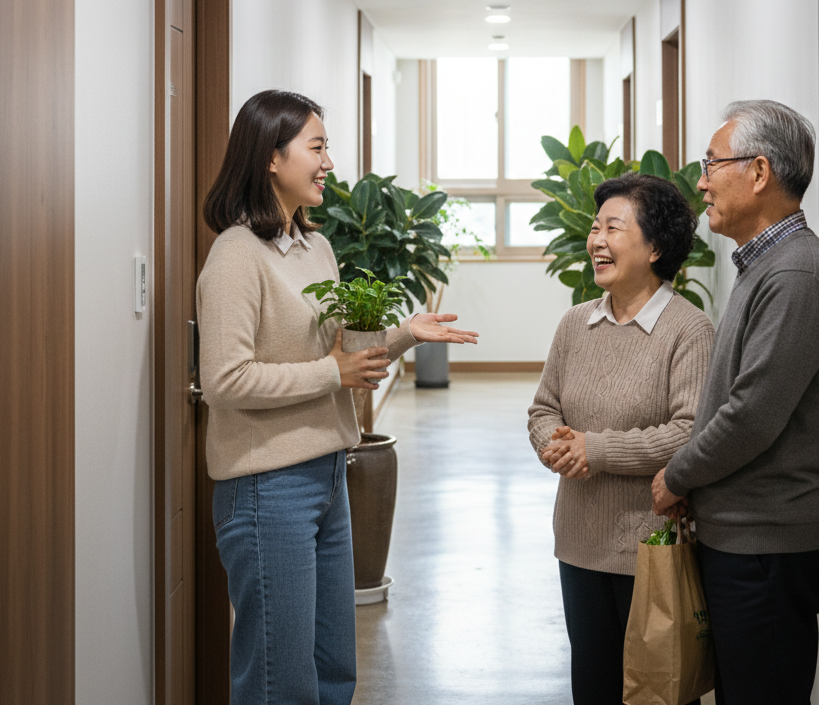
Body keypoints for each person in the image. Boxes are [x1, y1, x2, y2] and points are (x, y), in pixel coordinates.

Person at [197, 89, 478, 705]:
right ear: (271, 157)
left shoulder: (313, 246)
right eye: (317, 147)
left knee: (333, 671)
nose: (328, 163)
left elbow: (338, 352)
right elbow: (225, 379)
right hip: (266, 488)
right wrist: (331, 374)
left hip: (327, 474)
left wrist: (407, 333)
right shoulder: (236, 257)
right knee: (281, 681)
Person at [651, 99, 819, 705]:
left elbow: (750, 415)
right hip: (748, 535)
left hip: (768, 543)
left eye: (713, 164)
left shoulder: (795, 276)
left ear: (759, 173)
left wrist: (677, 475)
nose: (702, 181)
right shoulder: (766, 267)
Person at [528, 172, 714, 705]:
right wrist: (556, 445)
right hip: (579, 541)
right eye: (594, 227)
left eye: (614, 227)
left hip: (650, 547)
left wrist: (596, 449)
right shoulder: (574, 324)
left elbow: (690, 432)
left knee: (657, 690)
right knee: (593, 686)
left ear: (655, 247)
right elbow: (544, 409)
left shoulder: (688, 330)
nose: (597, 240)